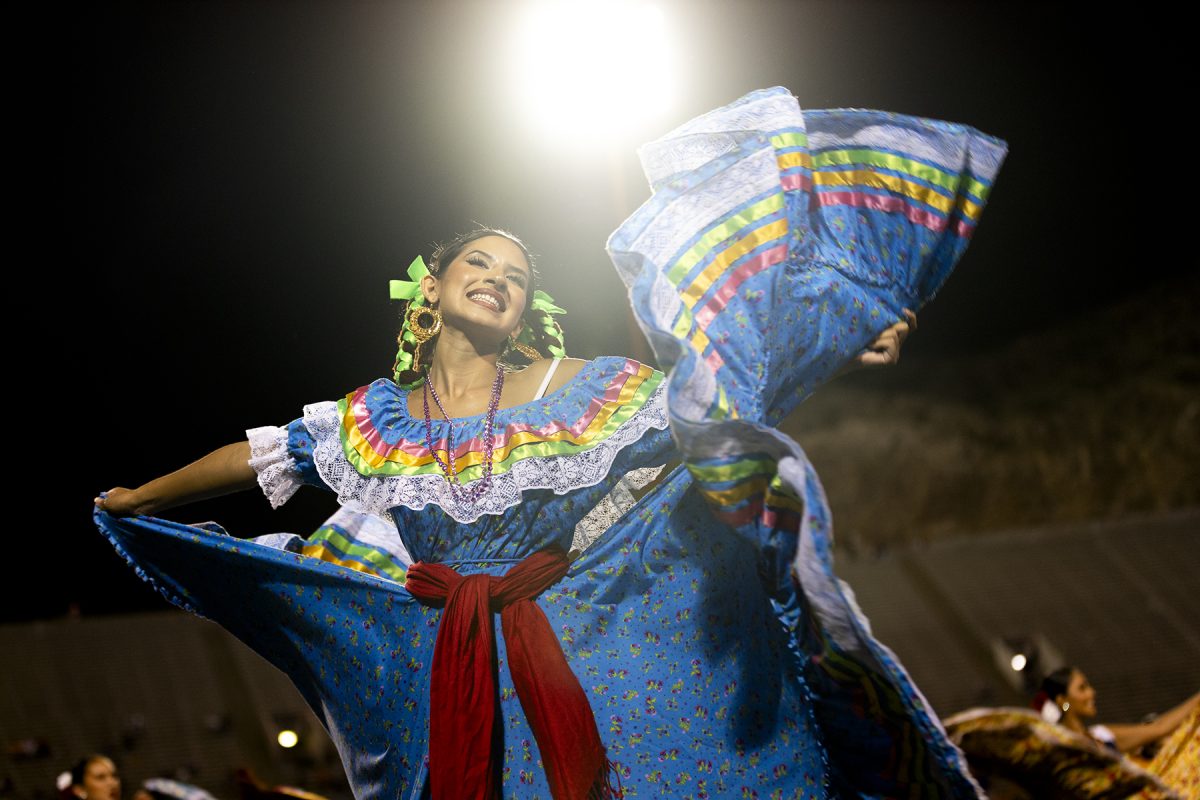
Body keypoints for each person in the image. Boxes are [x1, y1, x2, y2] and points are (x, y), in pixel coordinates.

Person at [94, 87, 1007, 799]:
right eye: (479, 266)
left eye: (518, 279)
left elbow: (712, 395)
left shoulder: (577, 389)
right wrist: (143, 498)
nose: (499, 282)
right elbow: (254, 460)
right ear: (435, 289)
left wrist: (843, 341)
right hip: (448, 658)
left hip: (591, 628)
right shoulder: (372, 417)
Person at [1036, 666, 1200, 754]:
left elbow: (1159, 728)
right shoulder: (1057, 747)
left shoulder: (1102, 735)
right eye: (1082, 688)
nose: (1092, 692)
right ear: (1062, 700)